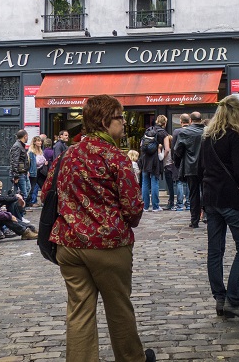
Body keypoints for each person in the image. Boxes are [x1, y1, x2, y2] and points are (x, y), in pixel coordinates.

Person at [43, 95, 155, 362]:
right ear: (106, 122)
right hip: (107, 245)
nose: (124, 123)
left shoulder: (66, 155)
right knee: (119, 308)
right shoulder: (115, 157)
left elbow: (48, 192)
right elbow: (133, 207)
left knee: (79, 311)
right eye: (120, 118)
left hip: (69, 244)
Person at [199, 95, 239, 321]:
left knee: (216, 251)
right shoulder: (233, 137)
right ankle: (233, 299)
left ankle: (220, 298)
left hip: (211, 199)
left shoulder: (207, 137)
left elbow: (201, 169)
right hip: (230, 199)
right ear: (237, 114)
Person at [173, 112, 205, 228]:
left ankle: (194, 220)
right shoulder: (207, 132)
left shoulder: (184, 132)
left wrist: (177, 164)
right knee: (206, 191)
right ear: (200, 120)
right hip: (205, 166)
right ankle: (206, 215)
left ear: (190, 120)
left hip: (190, 167)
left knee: (193, 193)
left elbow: (177, 151)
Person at [139, 115, 169, 212]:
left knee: (145, 182)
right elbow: (167, 149)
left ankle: (145, 206)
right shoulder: (164, 133)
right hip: (155, 160)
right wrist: (162, 157)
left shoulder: (148, 130)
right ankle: (155, 206)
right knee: (155, 181)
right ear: (165, 123)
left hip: (145, 159)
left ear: (156, 121)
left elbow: (141, 145)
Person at [172, 113, 190, 211]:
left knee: (179, 182)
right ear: (190, 121)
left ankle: (179, 205)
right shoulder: (192, 131)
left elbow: (174, 148)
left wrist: (174, 159)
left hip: (179, 159)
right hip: (190, 160)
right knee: (188, 182)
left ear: (180, 121)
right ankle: (188, 204)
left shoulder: (176, 132)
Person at [10, 130, 30, 200]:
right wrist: (16, 175)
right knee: (23, 193)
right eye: (27, 136)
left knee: (27, 189)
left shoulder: (20, 145)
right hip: (19, 173)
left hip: (23, 172)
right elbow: (15, 161)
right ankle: (20, 209)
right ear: (25, 136)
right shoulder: (17, 146)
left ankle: (20, 208)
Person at [27, 136, 46, 206]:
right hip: (34, 172)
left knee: (44, 186)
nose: (40, 142)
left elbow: (42, 160)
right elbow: (29, 162)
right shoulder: (31, 152)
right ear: (34, 142)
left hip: (41, 172)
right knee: (32, 188)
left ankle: (44, 201)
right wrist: (28, 171)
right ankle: (30, 202)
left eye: (40, 141)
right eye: (38, 141)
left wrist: (45, 162)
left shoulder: (41, 150)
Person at [162, 135, 177, 210]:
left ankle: (171, 202)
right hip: (173, 168)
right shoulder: (173, 149)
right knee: (173, 186)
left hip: (167, 167)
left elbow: (162, 158)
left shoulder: (166, 150)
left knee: (170, 187)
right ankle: (173, 202)